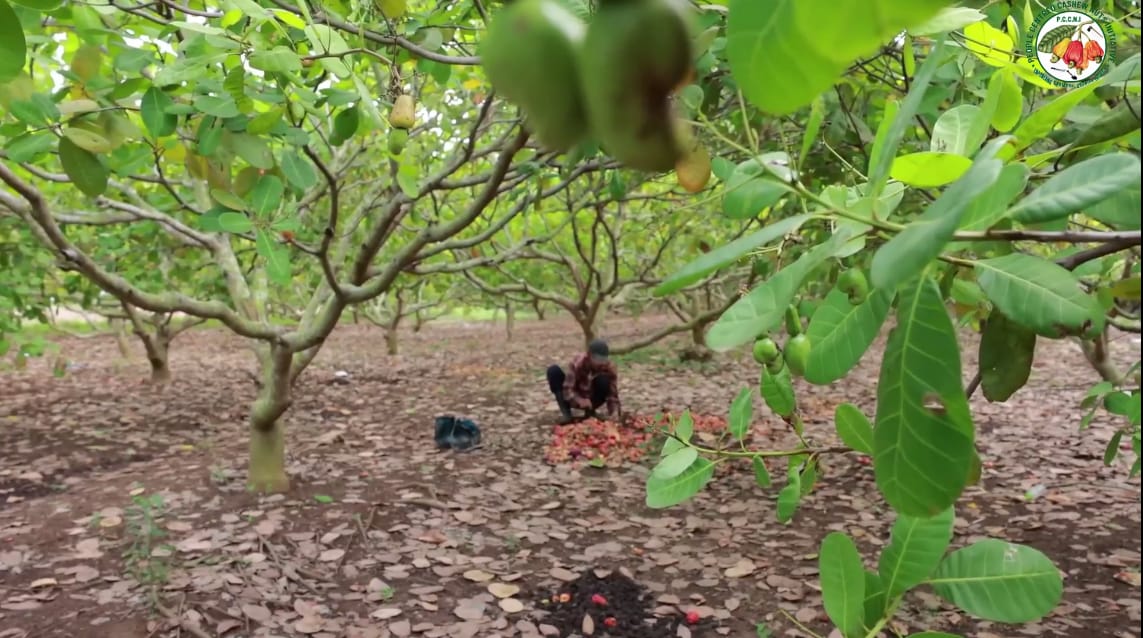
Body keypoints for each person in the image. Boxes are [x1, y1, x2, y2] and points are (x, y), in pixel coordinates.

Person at [546, 339, 622, 425]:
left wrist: (614, 412)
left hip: (593, 397)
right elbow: (567, 390)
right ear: (589, 355)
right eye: (597, 360)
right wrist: (579, 400)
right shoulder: (578, 363)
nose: (600, 363)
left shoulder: (609, 368)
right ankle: (567, 415)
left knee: (603, 380)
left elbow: (613, 394)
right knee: (553, 371)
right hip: (574, 396)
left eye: (603, 360)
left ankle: (590, 413)